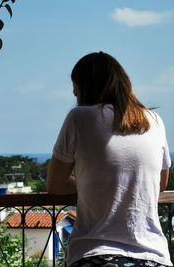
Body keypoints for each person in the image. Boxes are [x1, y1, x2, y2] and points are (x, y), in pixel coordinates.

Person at [46, 52, 172, 267]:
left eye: (76, 87)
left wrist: (90, 183)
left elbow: (55, 185)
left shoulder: (79, 117)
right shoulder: (154, 120)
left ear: (85, 87)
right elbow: (161, 183)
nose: (73, 92)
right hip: (153, 256)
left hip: (95, 254)